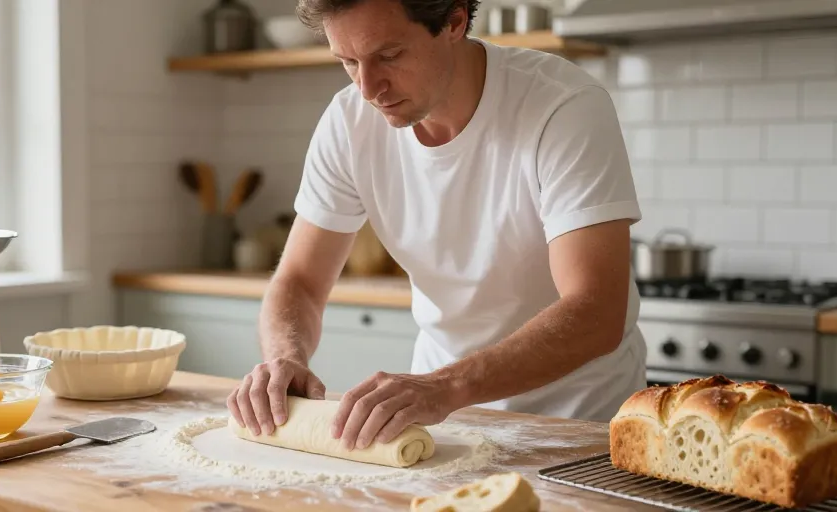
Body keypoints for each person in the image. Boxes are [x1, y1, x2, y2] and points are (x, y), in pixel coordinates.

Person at [226, 0, 647, 453]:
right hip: (444, 424)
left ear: (454, 21)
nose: (368, 88)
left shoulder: (562, 105)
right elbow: (300, 281)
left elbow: (596, 311)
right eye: (348, 62)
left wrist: (446, 386)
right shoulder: (349, 122)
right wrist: (285, 357)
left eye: (389, 55)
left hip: (578, 426)